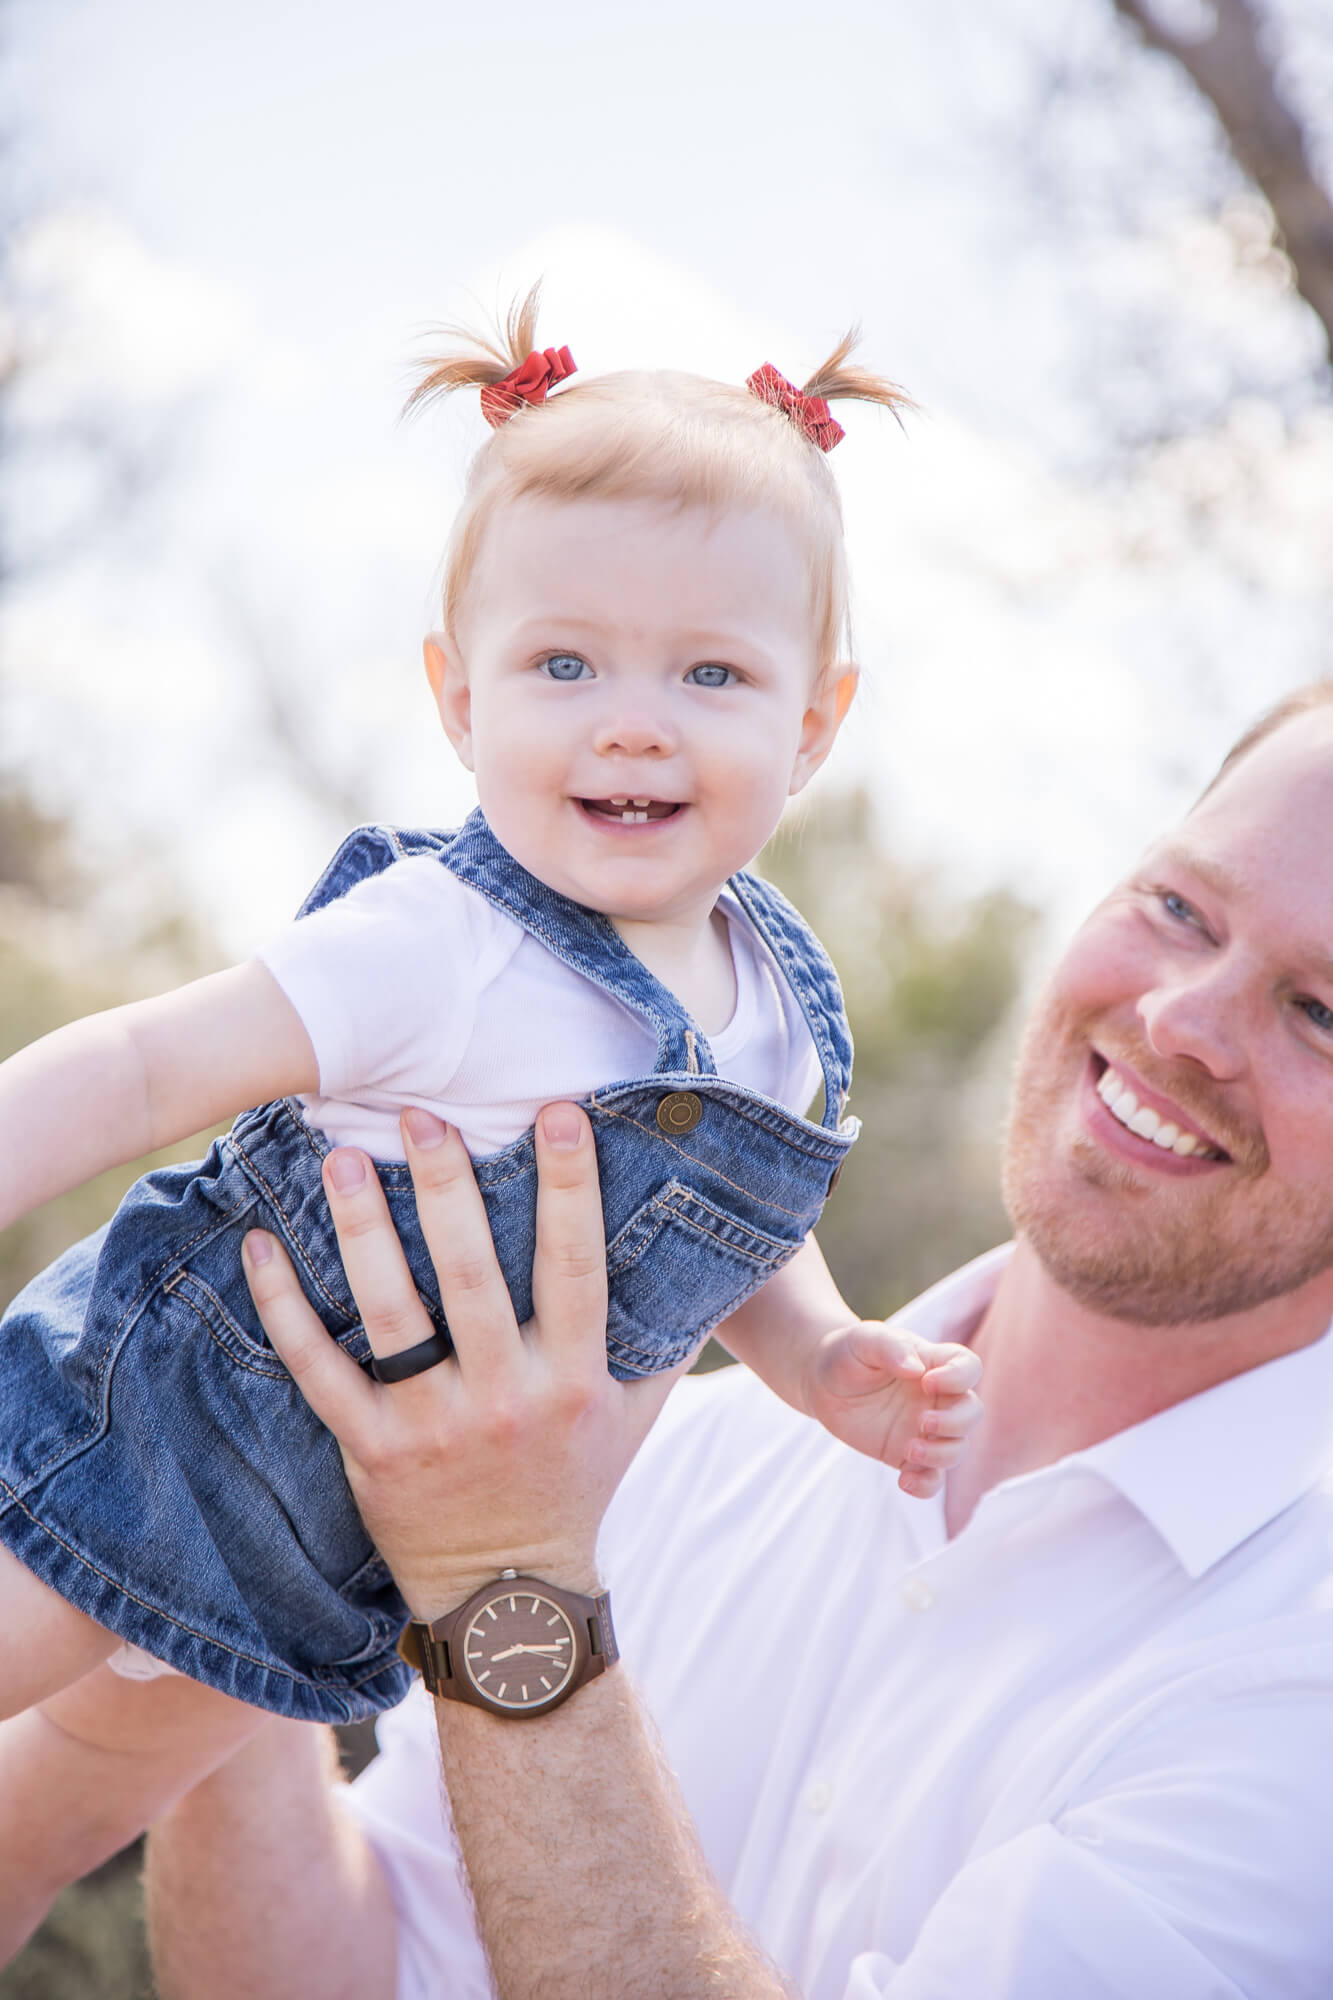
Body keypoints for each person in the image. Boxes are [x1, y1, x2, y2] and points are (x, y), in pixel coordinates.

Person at [0, 295, 984, 1960]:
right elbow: (140, 1071)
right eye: (563, 661)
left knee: (40, 1828)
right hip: (150, 1440)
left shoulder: (769, 1004)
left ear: (812, 724)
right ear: (459, 699)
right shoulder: (443, 941)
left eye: (712, 672)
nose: (631, 717)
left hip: (325, 1566)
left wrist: (817, 1355)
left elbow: (726, 1228)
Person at [147, 682, 1333, 1999]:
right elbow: (347, 1974)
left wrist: (503, 1580)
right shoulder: (668, 1440)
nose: (1179, 1021)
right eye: (1177, 910)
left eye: (1320, 1013)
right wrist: (232, 1537)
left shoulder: (1303, 1692)